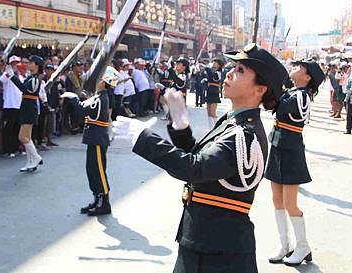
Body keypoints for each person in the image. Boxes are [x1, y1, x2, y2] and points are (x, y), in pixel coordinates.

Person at [114, 43, 288, 273]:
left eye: (241, 71)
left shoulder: (244, 135)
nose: (230, 72)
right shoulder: (231, 122)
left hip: (220, 252)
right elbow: (205, 162)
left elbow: (194, 169)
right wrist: (181, 127)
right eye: (233, 67)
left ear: (260, 89)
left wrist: (144, 139)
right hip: (206, 240)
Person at [265, 59, 324, 266]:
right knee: (277, 200)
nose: (294, 68)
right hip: (278, 145)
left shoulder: (302, 96)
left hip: (291, 149)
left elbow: (279, 106)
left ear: (307, 78)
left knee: (290, 203)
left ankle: (302, 245)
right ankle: (285, 244)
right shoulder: (292, 92)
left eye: (299, 67)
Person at [63, 66, 119, 216]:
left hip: (97, 139)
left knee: (99, 172)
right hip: (94, 138)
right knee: (92, 171)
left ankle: (104, 203)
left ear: (103, 82)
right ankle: (97, 199)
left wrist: (73, 98)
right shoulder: (99, 97)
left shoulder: (101, 98)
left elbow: (82, 111)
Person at [5, 55, 44, 172]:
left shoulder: (35, 79)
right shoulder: (31, 77)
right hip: (26, 106)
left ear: (36, 65)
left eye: (31, 63)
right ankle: (30, 161)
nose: (29, 64)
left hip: (30, 107)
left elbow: (24, 89)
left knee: (22, 136)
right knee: (27, 137)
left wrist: (12, 75)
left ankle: (36, 157)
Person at [0, 55, 22, 157]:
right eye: (13, 63)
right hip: (9, 104)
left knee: (17, 127)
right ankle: (7, 149)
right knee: (9, 128)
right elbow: (2, 80)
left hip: (19, 104)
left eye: (17, 63)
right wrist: (8, 71)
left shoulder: (21, 75)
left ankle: (15, 147)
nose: (15, 65)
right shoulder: (7, 74)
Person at [204, 59, 224, 128]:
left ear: (219, 65)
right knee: (208, 112)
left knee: (213, 113)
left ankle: (216, 127)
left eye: (215, 62)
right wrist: (205, 80)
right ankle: (210, 128)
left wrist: (207, 67)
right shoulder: (213, 71)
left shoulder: (218, 72)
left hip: (214, 92)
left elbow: (214, 77)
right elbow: (210, 78)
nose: (213, 63)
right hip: (209, 91)